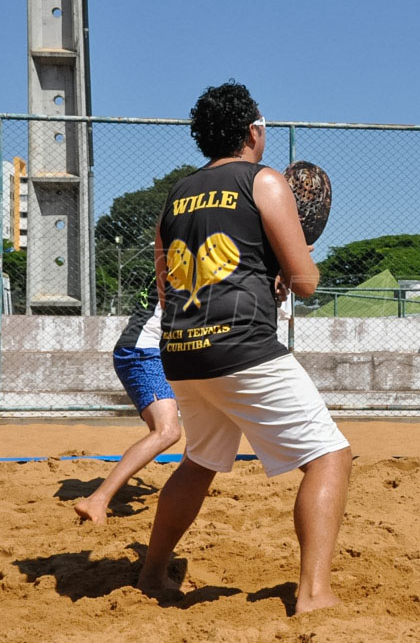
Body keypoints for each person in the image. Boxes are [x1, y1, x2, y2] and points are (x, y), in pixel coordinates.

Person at [138, 82, 352, 615]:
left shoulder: (176, 194)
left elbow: (166, 286)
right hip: (241, 348)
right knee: (330, 457)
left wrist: (265, 272)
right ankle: (314, 593)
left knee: (200, 460)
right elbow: (305, 283)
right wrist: (289, 270)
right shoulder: (263, 181)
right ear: (253, 130)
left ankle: (152, 571)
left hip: (180, 350)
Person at [74, 284, 181, 525]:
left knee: (200, 420)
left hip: (158, 351)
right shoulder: (181, 261)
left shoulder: (180, 257)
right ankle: (97, 500)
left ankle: (188, 487)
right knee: (167, 431)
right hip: (144, 352)